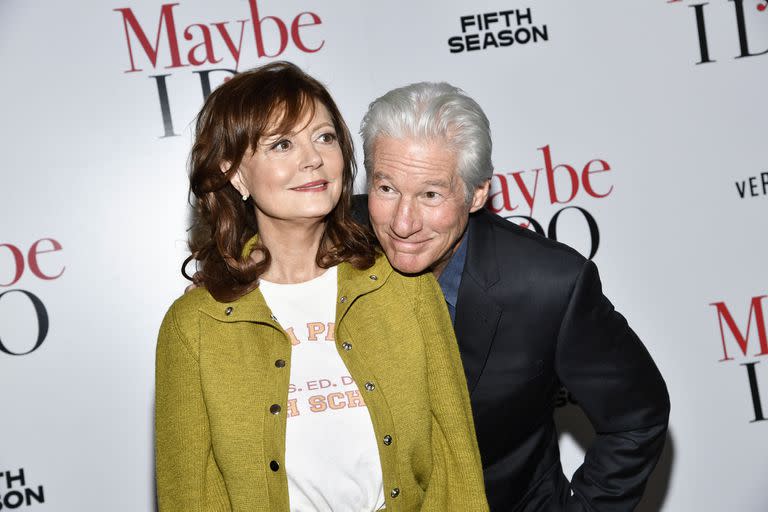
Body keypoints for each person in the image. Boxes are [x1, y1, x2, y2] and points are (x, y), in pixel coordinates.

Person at [155, 62, 488, 512]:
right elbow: (189, 496)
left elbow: (456, 466)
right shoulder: (196, 325)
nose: (312, 157)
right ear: (234, 173)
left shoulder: (403, 289)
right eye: (282, 143)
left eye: (325, 137)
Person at [355, 82, 671, 511]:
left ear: (477, 193)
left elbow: (638, 416)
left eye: (430, 194)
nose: (403, 222)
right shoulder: (330, 246)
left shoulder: (549, 285)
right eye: (387, 188)